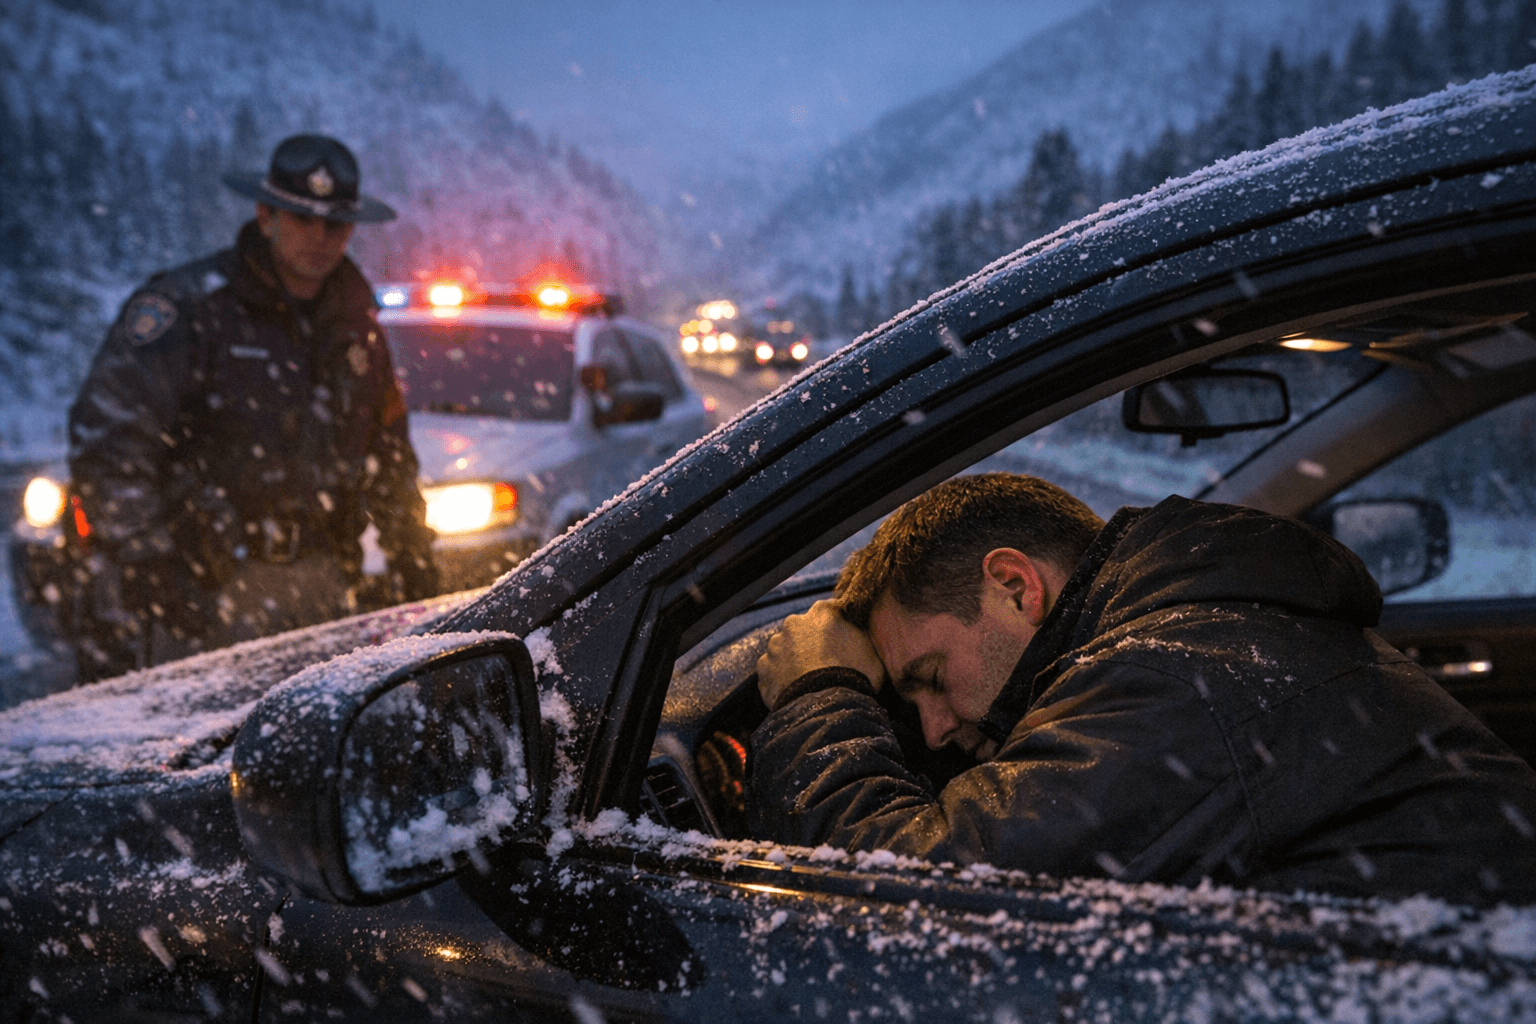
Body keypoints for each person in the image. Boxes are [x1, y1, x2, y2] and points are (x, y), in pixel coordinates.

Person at [749, 473, 1536, 906]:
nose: (929, 729)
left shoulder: (1172, 677)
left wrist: (819, 692)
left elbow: (912, 897)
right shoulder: (1200, 633)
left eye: (928, 678)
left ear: (1016, 589)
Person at [67, 134, 438, 677]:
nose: (320, 237)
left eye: (335, 224)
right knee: (203, 757)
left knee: (312, 756)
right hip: (207, 589)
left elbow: (389, 455)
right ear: (267, 216)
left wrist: (411, 555)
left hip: (323, 589)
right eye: (301, 218)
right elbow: (109, 439)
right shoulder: (191, 309)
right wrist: (151, 560)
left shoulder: (358, 331)